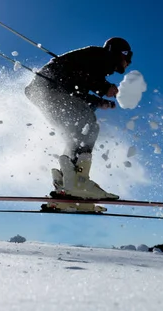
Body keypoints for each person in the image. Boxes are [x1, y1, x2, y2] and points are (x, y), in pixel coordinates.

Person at [24, 37, 133, 203]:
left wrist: (99, 101)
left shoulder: (94, 62)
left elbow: (76, 88)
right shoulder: (101, 57)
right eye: (128, 57)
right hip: (49, 88)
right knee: (88, 126)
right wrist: (104, 88)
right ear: (120, 53)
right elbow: (80, 76)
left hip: (42, 92)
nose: (129, 62)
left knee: (74, 134)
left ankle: (65, 182)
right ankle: (78, 182)